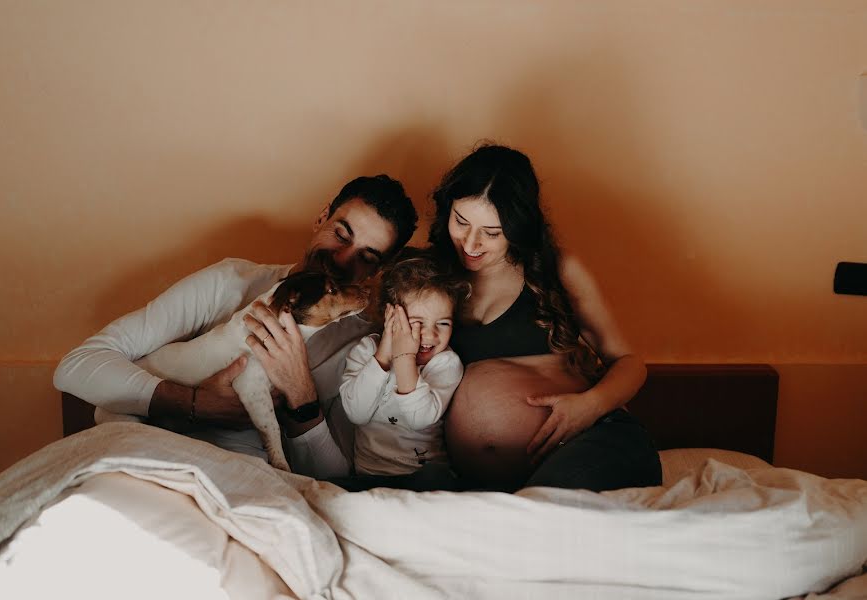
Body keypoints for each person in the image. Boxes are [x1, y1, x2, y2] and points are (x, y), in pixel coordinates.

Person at [54, 175, 418, 478]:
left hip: (251, 487)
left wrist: (301, 395)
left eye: (366, 257)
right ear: (321, 217)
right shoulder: (230, 282)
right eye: (341, 234)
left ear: (378, 270)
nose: (341, 260)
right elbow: (76, 367)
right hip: (152, 464)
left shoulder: (360, 347)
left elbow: (336, 478)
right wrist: (195, 403)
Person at [429, 144, 662, 492]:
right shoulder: (429, 278)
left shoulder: (558, 272)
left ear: (518, 227)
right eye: (461, 222)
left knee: (540, 519)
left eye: (492, 233)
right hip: (500, 483)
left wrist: (588, 406)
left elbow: (630, 363)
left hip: (594, 443)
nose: (471, 243)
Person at [339, 250, 469, 476]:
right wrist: (383, 357)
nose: (430, 335)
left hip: (425, 473)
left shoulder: (445, 362)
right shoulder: (366, 351)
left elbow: (420, 418)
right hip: (369, 475)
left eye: (444, 324)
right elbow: (356, 413)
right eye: (417, 322)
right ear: (390, 317)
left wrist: (404, 358)